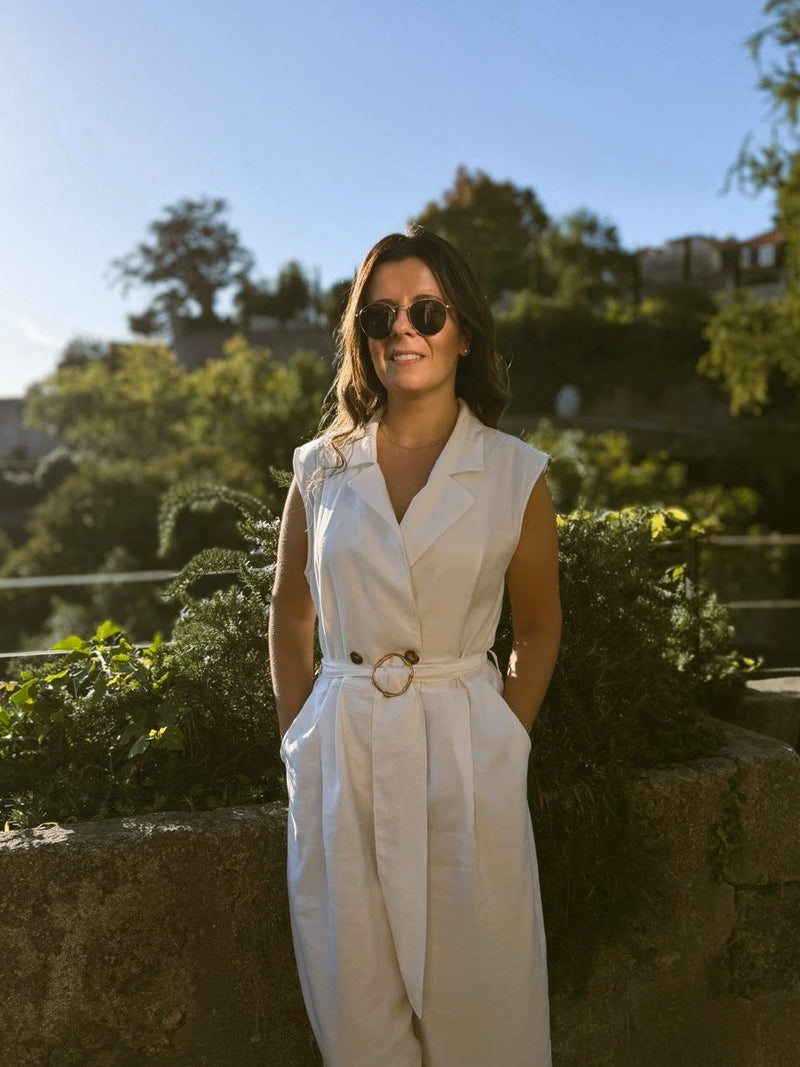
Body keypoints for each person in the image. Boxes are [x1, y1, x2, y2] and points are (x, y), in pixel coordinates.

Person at [268, 227, 561, 1067]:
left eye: (426, 311)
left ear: (462, 330)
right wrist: (300, 737)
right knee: (358, 1022)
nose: (403, 329)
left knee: (487, 1019)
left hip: (466, 751)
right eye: (381, 315)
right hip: (342, 753)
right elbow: (290, 608)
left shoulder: (514, 474)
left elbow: (538, 624)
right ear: (362, 337)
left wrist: (504, 735)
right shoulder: (320, 470)